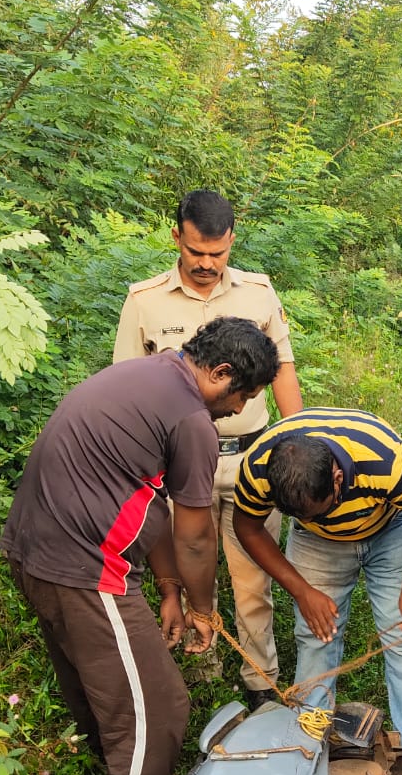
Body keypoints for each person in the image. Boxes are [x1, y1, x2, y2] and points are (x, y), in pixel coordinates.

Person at [1, 317, 280, 775]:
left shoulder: (145, 377)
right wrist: (204, 610)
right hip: (87, 573)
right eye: (245, 397)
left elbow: (141, 492)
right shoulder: (191, 420)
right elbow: (198, 535)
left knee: (101, 694)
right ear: (222, 374)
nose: (241, 410)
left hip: (35, 554)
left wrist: (169, 589)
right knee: (160, 715)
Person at [114, 189, 303, 704]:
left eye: (217, 253)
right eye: (196, 251)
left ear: (232, 243)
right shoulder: (144, 301)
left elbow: (283, 368)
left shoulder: (259, 294)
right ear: (176, 235)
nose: (206, 263)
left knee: (252, 578)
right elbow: (129, 383)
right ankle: (201, 670)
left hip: (249, 458)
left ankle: (259, 682)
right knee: (187, 566)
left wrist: (297, 436)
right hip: (177, 466)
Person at [232, 409, 402, 748]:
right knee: (317, 639)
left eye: (319, 510)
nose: (312, 517)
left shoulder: (384, 458)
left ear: (335, 478)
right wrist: (302, 592)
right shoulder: (259, 468)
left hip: (391, 530)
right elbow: (247, 528)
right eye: (295, 515)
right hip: (315, 543)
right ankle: (307, 748)